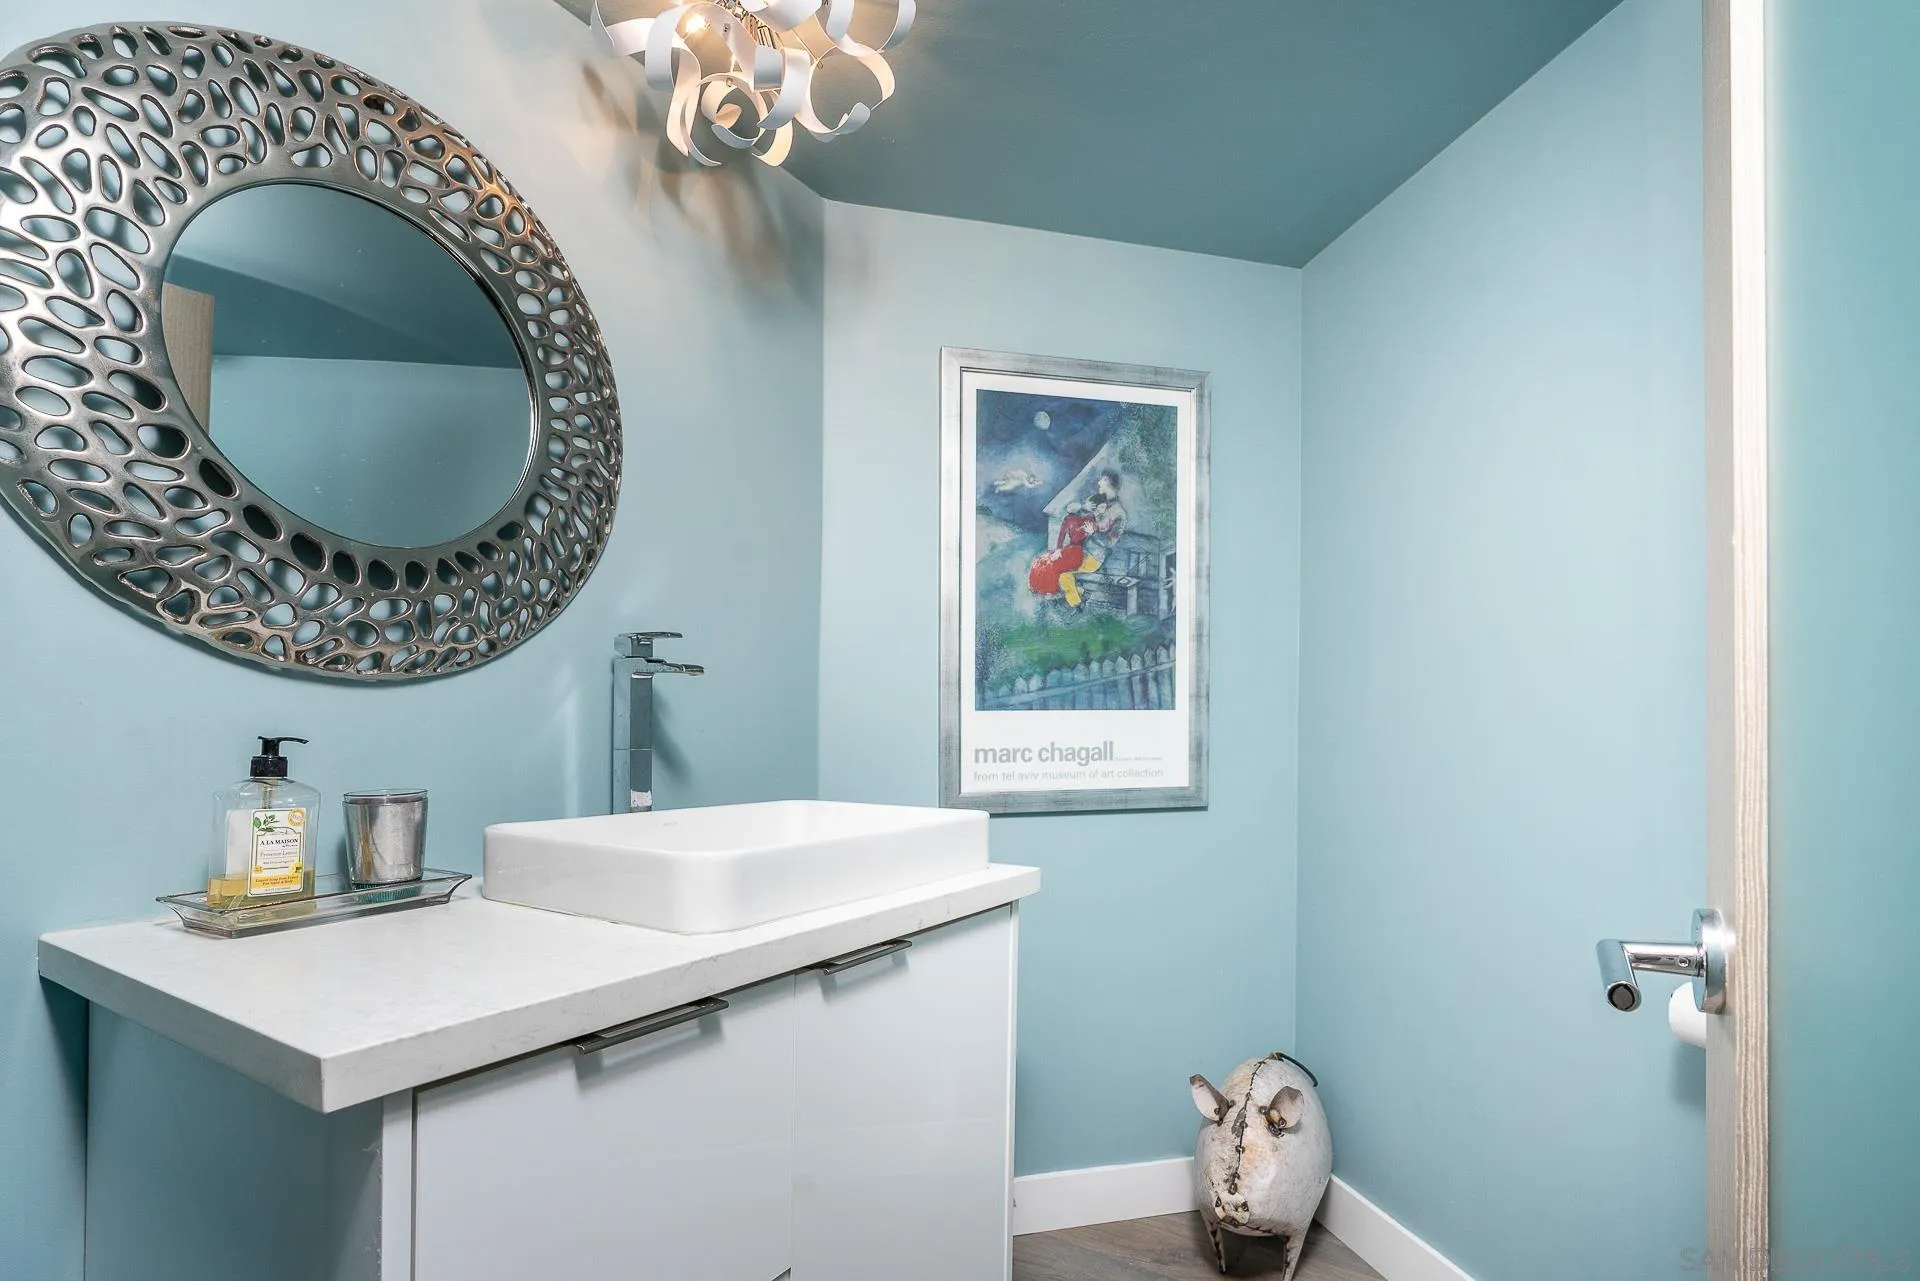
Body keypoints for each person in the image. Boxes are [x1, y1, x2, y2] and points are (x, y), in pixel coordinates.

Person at [1058, 470, 1125, 610]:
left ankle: (1077, 605)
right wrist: (1083, 507)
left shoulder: (1119, 514)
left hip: (1094, 558)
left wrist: (1094, 533)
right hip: (1079, 551)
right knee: (1057, 568)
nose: (1099, 483)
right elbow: (1069, 509)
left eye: (1102, 480)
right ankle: (1080, 595)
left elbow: (1110, 543)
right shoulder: (1097, 500)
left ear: (1109, 483)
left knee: (1064, 575)